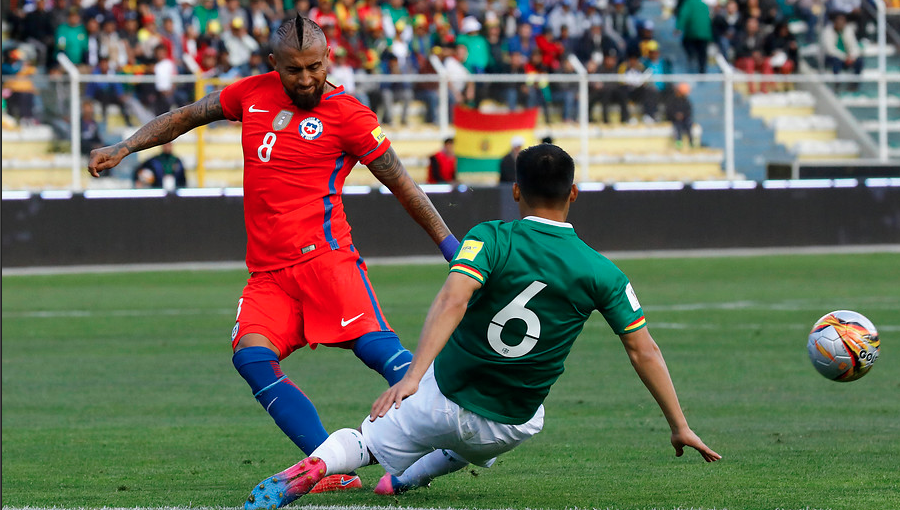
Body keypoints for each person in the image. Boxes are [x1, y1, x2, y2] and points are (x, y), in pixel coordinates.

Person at [87, 15, 458, 494]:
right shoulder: (250, 93)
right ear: (273, 65)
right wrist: (125, 146)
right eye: (294, 69)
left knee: (380, 352)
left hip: (326, 261)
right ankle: (331, 467)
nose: (306, 79)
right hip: (269, 274)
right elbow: (184, 117)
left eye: (315, 67)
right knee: (251, 358)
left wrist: (451, 248)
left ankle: (449, 431)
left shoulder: (351, 116)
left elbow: (402, 185)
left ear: (329, 60)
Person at [242, 143, 721, 510]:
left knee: (365, 443)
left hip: (440, 396)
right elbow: (645, 352)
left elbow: (453, 299)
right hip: (507, 423)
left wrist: (411, 378)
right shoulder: (603, 273)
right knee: (494, 439)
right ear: (574, 193)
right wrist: (679, 426)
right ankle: (407, 479)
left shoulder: (490, 237)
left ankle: (315, 467)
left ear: (516, 192)